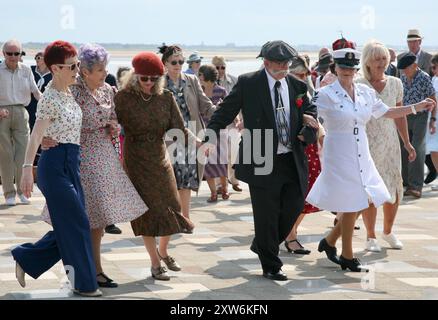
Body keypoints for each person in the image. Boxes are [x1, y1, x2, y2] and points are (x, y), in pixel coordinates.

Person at [307, 48, 436, 272]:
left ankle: (329, 241)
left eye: (351, 68)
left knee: (368, 197)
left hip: (362, 151)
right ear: (335, 69)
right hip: (339, 153)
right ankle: (347, 255)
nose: (347, 71)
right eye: (343, 68)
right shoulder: (326, 93)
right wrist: (313, 129)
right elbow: (308, 112)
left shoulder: (365, 93)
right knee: (353, 200)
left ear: (357, 68)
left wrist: (417, 107)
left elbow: (387, 112)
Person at [206, 40, 319, 281]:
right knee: (266, 213)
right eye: (279, 63)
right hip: (260, 157)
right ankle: (271, 264)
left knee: (295, 205)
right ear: (265, 62)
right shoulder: (248, 83)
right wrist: (209, 137)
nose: (284, 67)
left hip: (291, 157)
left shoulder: (297, 85)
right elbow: (225, 111)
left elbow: (311, 113)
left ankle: (262, 243)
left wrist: (307, 133)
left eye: (287, 63)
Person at [40, 43, 147, 288]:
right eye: (99, 69)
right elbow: (51, 109)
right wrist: (45, 136)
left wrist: (114, 125)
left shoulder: (108, 90)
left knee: (97, 220)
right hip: (78, 156)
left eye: (105, 68)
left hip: (104, 156)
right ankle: (79, 271)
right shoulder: (72, 90)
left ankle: (94, 270)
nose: (104, 73)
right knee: (78, 219)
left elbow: (113, 117)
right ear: (85, 71)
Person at [11, 40, 102, 297]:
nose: (77, 69)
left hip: (72, 163)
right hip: (54, 167)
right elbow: (36, 134)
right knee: (78, 223)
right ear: (55, 68)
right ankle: (85, 285)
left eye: (78, 64)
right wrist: (28, 168)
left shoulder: (68, 93)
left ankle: (26, 258)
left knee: (72, 224)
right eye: (72, 66)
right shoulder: (49, 98)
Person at [115, 52, 194, 281]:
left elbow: (179, 129)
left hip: (160, 156)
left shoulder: (165, 97)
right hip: (135, 158)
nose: (149, 83)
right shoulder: (123, 98)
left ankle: (164, 250)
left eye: (153, 79)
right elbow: (109, 124)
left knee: (171, 205)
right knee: (147, 210)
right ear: (134, 76)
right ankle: (155, 263)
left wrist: (200, 143)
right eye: (144, 78)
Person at [357, 41, 415, 252]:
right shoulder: (360, 83)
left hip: (391, 143)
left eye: (384, 59)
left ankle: (388, 231)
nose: (381, 63)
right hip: (368, 142)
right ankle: (370, 236)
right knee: (370, 191)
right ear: (367, 62)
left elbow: (400, 116)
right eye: (376, 59)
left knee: (394, 187)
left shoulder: (395, 83)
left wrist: (407, 143)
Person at [159, 44, 216, 229]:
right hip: (169, 137)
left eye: (181, 61)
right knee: (170, 180)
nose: (178, 65)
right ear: (165, 63)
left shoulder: (191, 80)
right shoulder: (159, 82)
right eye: (174, 62)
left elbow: (205, 105)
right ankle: (172, 217)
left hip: (191, 137)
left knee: (187, 179)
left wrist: (223, 113)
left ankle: (185, 218)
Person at [0, 40, 42, 206]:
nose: (13, 57)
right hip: (1, 113)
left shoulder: (26, 70)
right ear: (3, 54)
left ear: (21, 55)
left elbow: (36, 92)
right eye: (9, 53)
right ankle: (9, 192)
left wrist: (52, 104)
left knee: (24, 154)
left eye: (16, 53)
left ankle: (22, 191)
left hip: (21, 111)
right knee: (5, 155)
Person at [399, 29, 436, 185]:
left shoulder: (428, 59)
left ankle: (416, 183)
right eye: (409, 41)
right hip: (405, 113)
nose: (412, 44)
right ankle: (406, 181)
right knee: (405, 146)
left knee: (419, 147)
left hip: (422, 112)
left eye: (415, 41)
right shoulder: (401, 60)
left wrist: (432, 117)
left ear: (420, 42)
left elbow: (432, 92)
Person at [211, 55, 243, 192]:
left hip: (233, 122)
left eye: (222, 67)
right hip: (218, 122)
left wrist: (242, 118)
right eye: (217, 67)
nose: (220, 70)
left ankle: (234, 179)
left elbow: (241, 101)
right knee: (218, 154)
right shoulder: (208, 82)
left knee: (233, 152)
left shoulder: (234, 80)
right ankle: (219, 184)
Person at [198, 64, 229, 202]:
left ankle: (225, 190)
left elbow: (229, 107)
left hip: (220, 131)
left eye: (200, 75)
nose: (198, 77)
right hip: (204, 130)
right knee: (207, 163)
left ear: (205, 76)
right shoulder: (199, 91)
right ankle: (213, 193)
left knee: (222, 161)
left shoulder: (221, 91)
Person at [426, 54, 438, 189]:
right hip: (434, 118)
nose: (433, 70)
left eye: (435, 67)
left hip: (435, 118)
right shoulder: (434, 79)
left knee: (434, 149)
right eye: (432, 67)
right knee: (433, 149)